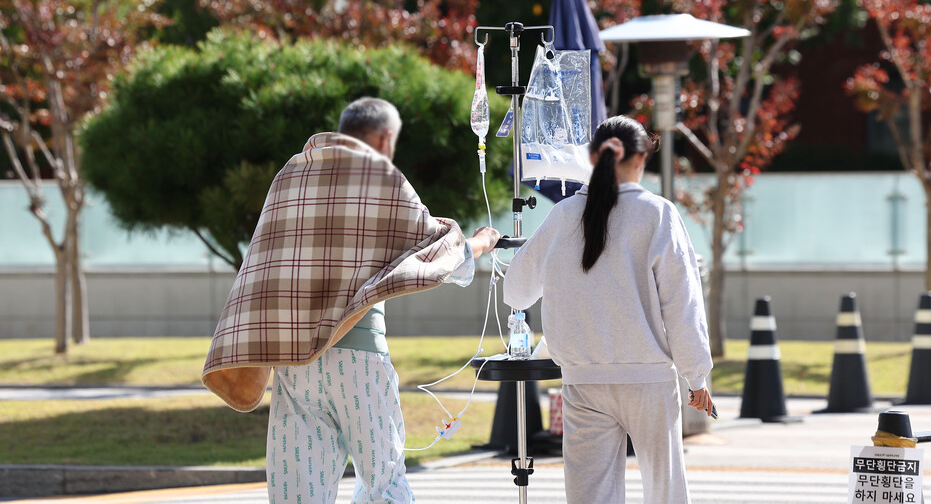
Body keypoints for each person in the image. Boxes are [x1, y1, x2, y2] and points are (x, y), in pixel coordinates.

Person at [202, 97, 499, 503]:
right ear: (384, 137)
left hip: (295, 361)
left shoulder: (291, 174)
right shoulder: (380, 175)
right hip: (359, 358)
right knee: (384, 484)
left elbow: (264, 260)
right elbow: (436, 247)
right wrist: (480, 243)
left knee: (297, 493)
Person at [503, 115, 713, 504]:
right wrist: (696, 377)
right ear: (640, 158)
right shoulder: (657, 213)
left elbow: (516, 291)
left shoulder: (563, 215)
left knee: (590, 497)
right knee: (665, 493)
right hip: (647, 379)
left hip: (583, 381)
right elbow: (682, 304)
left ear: (591, 157)